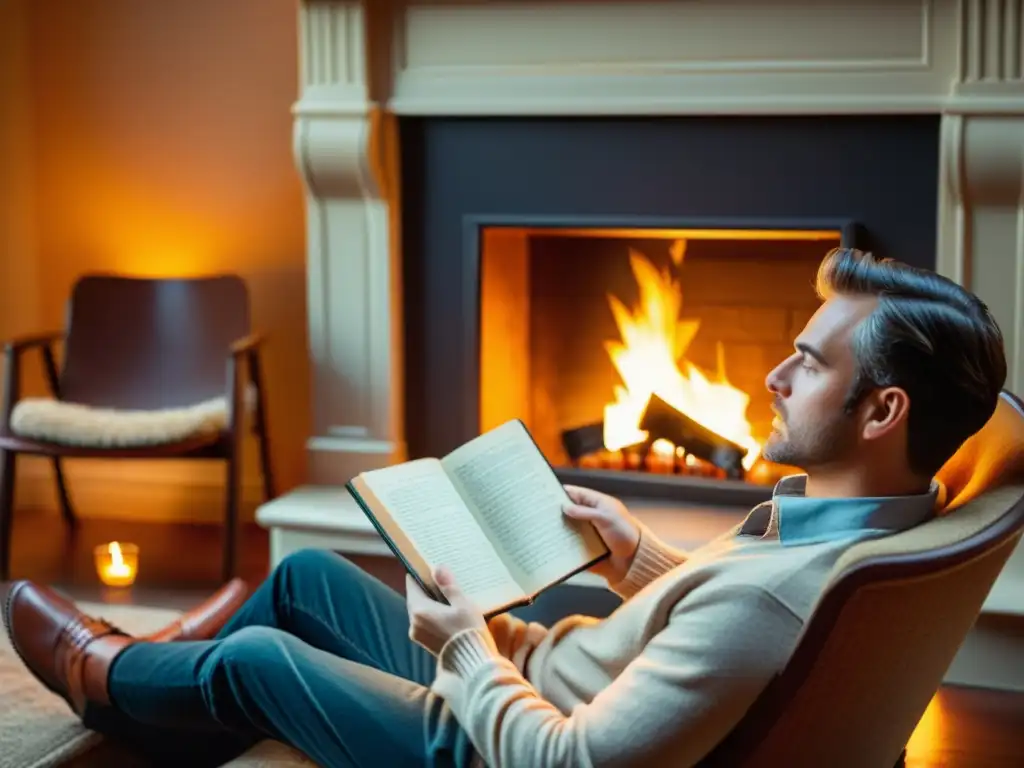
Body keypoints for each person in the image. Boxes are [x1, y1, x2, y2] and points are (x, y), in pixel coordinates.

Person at [3, 248, 1008, 768]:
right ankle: (179, 696)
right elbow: (734, 637)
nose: (774, 375)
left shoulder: (776, 599)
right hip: (539, 671)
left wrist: (465, 647)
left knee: (265, 656)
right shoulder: (863, 529)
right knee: (309, 575)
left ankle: (113, 676)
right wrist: (634, 558)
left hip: (487, 738)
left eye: (810, 360)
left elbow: (571, 762)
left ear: (883, 409)